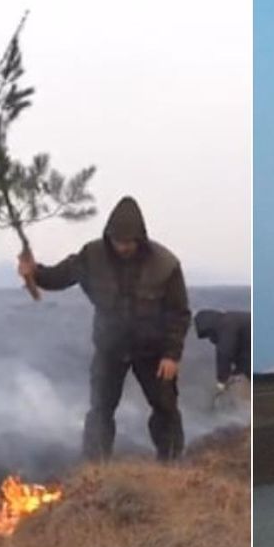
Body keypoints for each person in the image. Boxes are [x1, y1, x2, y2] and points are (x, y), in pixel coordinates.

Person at [18, 196, 191, 461]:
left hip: (153, 351)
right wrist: (35, 273)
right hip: (110, 349)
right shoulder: (92, 256)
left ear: (140, 239)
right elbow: (60, 277)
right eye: (117, 241)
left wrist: (172, 354)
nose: (122, 247)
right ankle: (95, 469)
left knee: (165, 407)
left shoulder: (165, 265)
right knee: (100, 409)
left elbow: (179, 313)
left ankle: (171, 463)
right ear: (109, 237)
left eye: (128, 242)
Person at [194, 309, 251, 395]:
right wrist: (237, 372)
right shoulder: (230, 321)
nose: (209, 338)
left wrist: (221, 381)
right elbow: (245, 357)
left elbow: (224, 353)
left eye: (208, 334)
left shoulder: (226, 325)